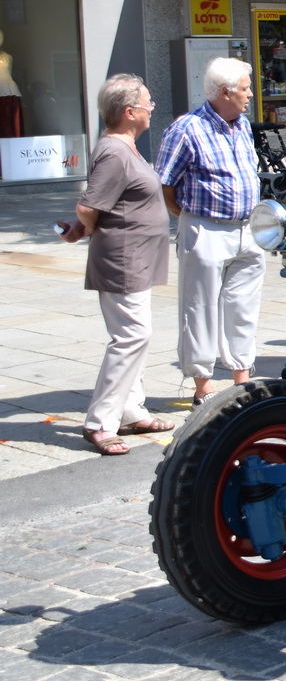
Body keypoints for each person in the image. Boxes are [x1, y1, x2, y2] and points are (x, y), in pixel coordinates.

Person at [58, 75, 176, 454]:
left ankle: (129, 410)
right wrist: (86, 226)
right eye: (147, 102)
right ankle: (101, 422)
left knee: (136, 337)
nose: (151, 107)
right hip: (123, 259)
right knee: (131, 337)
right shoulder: (115, 151)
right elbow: (89, 205)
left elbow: (102, 206)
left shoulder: (125, 147)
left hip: (136, 257)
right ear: (129, 112)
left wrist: (82, 228)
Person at [155, 56, 264, 405]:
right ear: (225, 92)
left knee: (243, 307)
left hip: (247, 228)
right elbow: (164, 183)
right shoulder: (187, 128)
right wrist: (186, 219)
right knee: (199, 307)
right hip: (206, 228)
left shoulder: (242, 124)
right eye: (245, 89)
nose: (250, 95)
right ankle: (202, 385)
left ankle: (241, 378)